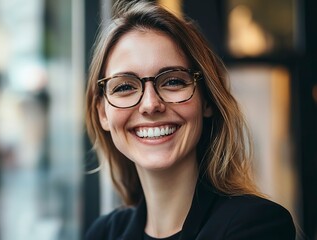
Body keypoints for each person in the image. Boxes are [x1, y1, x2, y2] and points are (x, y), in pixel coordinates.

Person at [84, 1, 296, 240]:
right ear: (102, 112)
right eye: (124, 86)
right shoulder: (102, 234)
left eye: (173, 81)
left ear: (206, 100)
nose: (150, 104)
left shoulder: (258, 226)